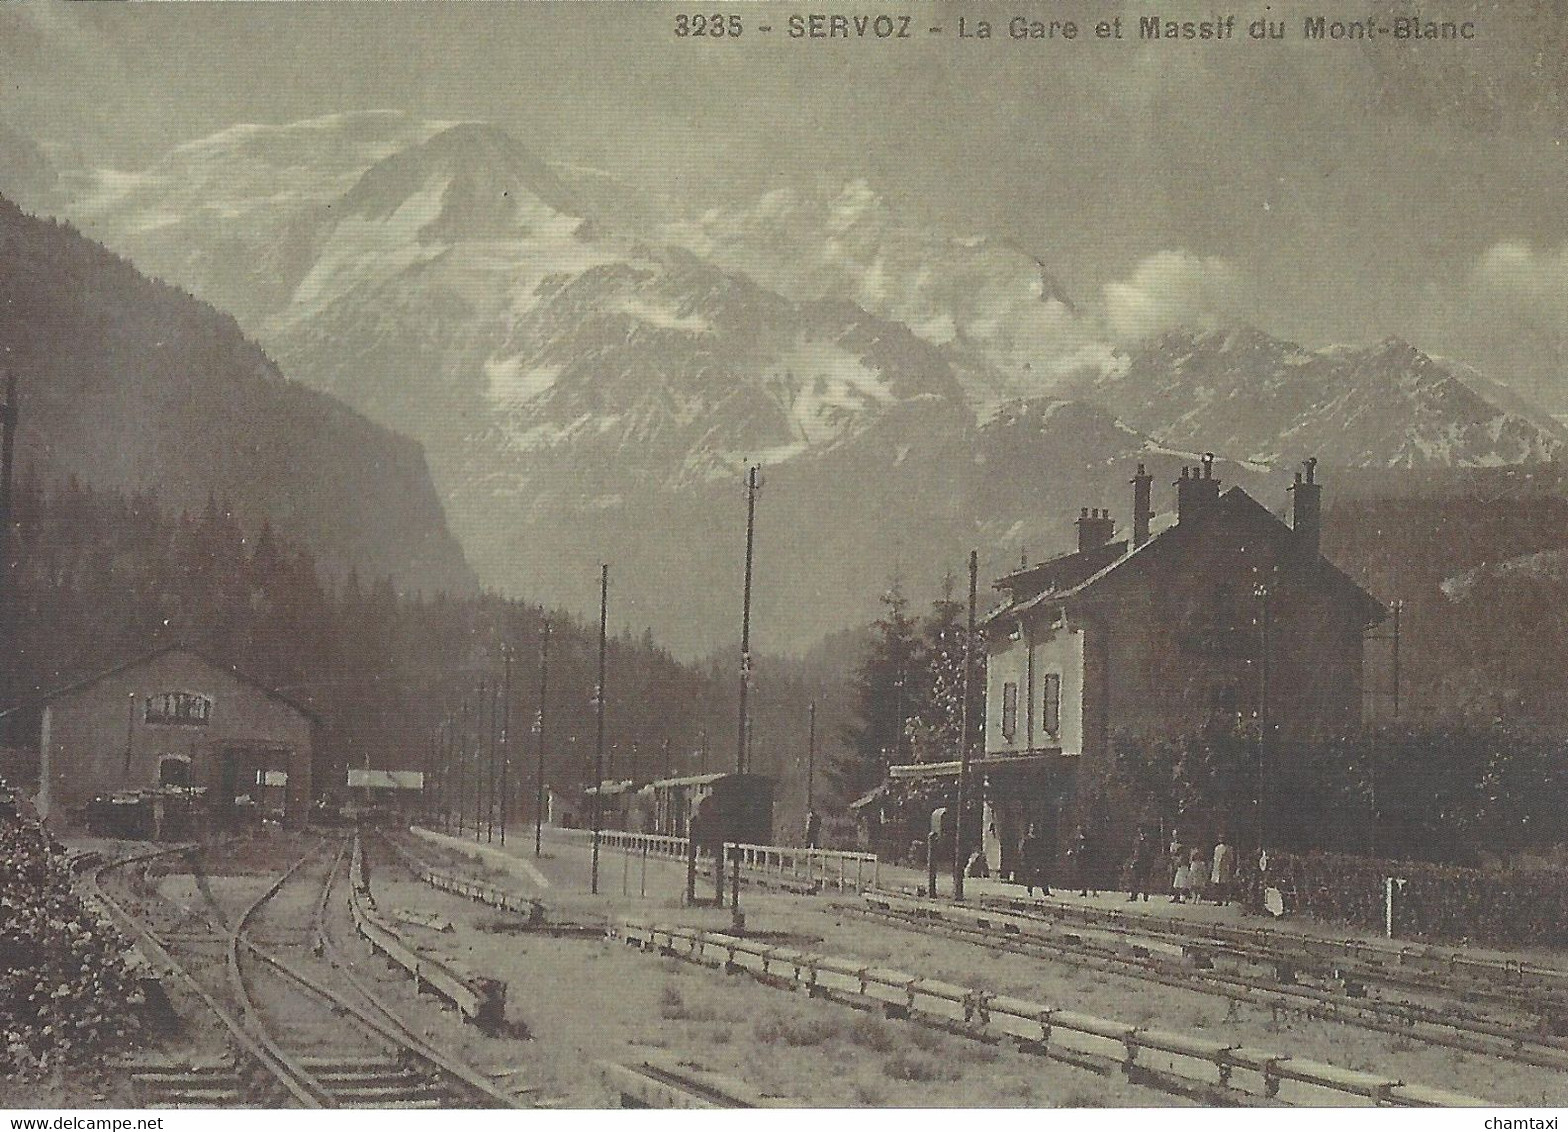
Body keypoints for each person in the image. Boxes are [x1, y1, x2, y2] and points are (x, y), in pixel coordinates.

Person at [1018, 823, 1049, 897]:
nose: (1032, 829)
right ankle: (1031, 891)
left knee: (1040, 875)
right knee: (1032, 876)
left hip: (1036, 859)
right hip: (1029, 860)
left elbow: (1040, 850)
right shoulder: (1026, 839)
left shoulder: (1037, 839)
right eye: (1031, 827)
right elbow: (1022, 850)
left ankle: (1045, 891)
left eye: (1033, 827)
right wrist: (1023, 859)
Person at [1211, 833, 1236, 905]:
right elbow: (1215, 859)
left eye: (1223, 838)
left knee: (1224, 885)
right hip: (1217, 868)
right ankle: (1218, 900)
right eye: (1220, 838)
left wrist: (1230, 867)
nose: (1221, 840)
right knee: (1217, 885)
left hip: (1225, 868)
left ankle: (1226, 900)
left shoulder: (1229, 848)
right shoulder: (1217, 848)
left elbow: (1231, 859)